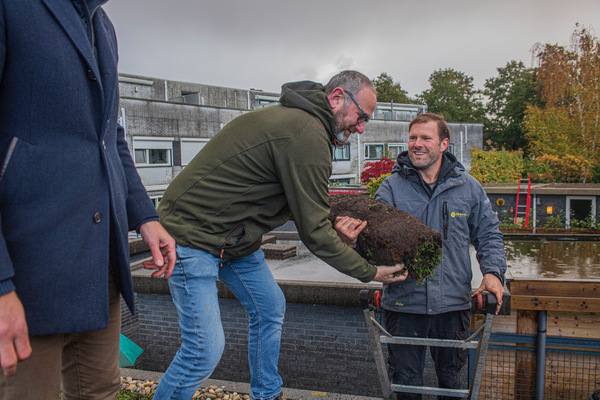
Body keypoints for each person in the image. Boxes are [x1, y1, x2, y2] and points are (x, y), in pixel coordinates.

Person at [151, 70, 406, 400]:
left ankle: (266, 394)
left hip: (233, 240)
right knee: (203, 351)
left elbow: (306, 200)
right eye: (361, 117)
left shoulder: (300, 122)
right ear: (338, 97)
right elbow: (313, 230)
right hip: (193, 237)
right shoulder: (307, 133)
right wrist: (368, 271)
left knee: (269, 307)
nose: (360, 128)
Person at [0, 1, 176, 399]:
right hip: (25, 275)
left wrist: (145, 215)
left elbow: (108, 134)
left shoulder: (103, 25)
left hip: (99, 268)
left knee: (101, 391)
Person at [373, 113, 506, 399]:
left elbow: (489, 234)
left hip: (453, 307)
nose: (417, 144)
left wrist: (493, 274)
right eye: (412, 138)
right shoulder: (390, 188)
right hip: (403, 305)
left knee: (451, 383)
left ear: (444, 144)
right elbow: (372, 242)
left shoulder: (468, 187)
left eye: (425, 138)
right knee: (406, 384)